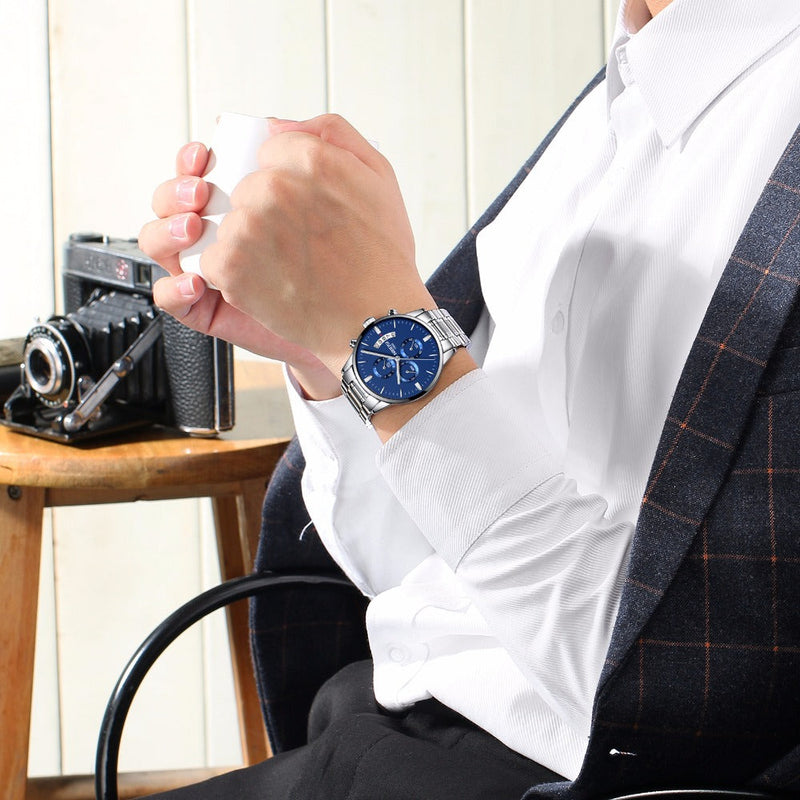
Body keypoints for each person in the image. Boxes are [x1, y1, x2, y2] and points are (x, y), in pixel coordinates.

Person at [138, 0, 800, 797]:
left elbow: (687, 702)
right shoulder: (622, 97)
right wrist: (327, 354)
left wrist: (378, 337)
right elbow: (429, 567)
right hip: (384, 725)